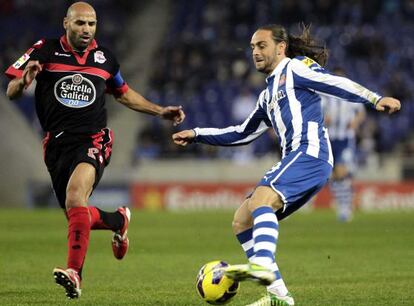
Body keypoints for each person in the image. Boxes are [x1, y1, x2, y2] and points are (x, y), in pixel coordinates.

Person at [172, 24, 400, 306]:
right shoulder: (267, 96)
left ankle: (262, 268)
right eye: (253, 47)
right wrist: (196, 134)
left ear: (280, 48)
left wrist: (375, 99)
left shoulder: (295, 68)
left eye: (262, 45)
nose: (255, 52)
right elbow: (242, 132)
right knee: (242, 220)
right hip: (297, 157)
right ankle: (278, 296)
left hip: (310, 153)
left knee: (261, 201)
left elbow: (334, 83)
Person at [5, 2, 185, 300]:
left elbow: (124, 94)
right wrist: (24, 81)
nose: (86, 29)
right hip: (56, 145)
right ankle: (118, 220)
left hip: (94, 139)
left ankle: (75, 273)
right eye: (80, 24)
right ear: (66, 23)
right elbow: (11, 90)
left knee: (76, 196)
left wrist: (159, 111)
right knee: (78, 215)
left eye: (91, 23)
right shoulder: (44, 50)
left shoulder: (105, 59)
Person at [321, 67, 366, 222]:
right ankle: (342, 205)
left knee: (341, 171)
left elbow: (361, 112)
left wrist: (355, 121)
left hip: (345, 138)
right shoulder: (325, 95)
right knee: (333, 176)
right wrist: (323, 119)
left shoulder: (350, 95)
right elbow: (317, 113)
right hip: (328, 138)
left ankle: (345, 208)